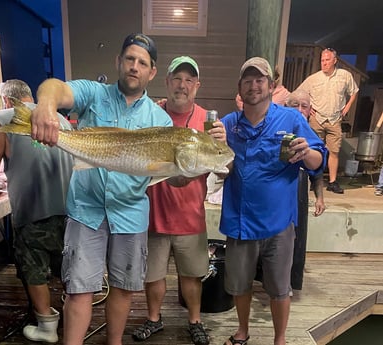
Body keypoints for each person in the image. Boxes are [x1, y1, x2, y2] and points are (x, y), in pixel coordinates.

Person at [29, 33, 172, 345]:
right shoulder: (94, 94)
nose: (135, 66)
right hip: (86, 209)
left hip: (130, 213)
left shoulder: (160, 120)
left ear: (152, 72)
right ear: (118, 62)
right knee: (79, 288)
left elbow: (175, 177)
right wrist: (46, 104)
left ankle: (114, 342)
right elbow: (57, 88)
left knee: (123, 287)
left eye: (143, 62)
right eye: (130, 59)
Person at [219, 57, 326, 345]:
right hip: (240, 221)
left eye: (260, 80)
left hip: (279, 223)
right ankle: (243, 331)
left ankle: (280, 339)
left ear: (271, 85)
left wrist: (307, 153)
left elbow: (318, 159)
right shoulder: (227, 125)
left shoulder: (291, 119)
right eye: (247, 81)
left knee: (280, 287)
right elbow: (216, 166)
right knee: (240, 285)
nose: (254, 86)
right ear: (239, 88)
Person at [132, 56, 226, 345]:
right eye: (177, 79)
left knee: (193, 275)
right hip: (153, 213)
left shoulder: (209, 123)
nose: (182, 86)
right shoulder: (151, 113)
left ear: (197, 86)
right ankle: (153, 319)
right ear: (167, 82)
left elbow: (226, 166)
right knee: (153, 275)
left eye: (188, 80)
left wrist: (222, 144)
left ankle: (195, 321)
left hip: (189, 216)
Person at [0, 79, 74, 343]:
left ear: (8, 100)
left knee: (33, 268)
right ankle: (73, 312)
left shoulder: (3, 118)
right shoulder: (60, 120)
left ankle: (46, 325)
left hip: (33, 211)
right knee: (66, 266)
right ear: (30, 97)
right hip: (69, 212)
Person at [297, 48, 359, 194]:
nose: (324, 63)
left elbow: (354, 91)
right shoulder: (314, 78)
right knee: (314, 149)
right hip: (317, 118)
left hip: (334, 119)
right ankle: (314, 180)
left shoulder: (345, 76)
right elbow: (299, 93)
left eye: (327, 60)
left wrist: (348, 106)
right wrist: (308, 108)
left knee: (334, 151)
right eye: (322, 60)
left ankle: (332, 182)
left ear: (334, 60)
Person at [286, 89, 325, 216]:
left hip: (298, 192)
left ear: (310, 110)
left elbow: (317, 172)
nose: (299, 110)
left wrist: (320, 198)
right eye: (295, 105)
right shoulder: (277, 129)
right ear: (285, 107)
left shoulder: (312, 136)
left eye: (304, 106)